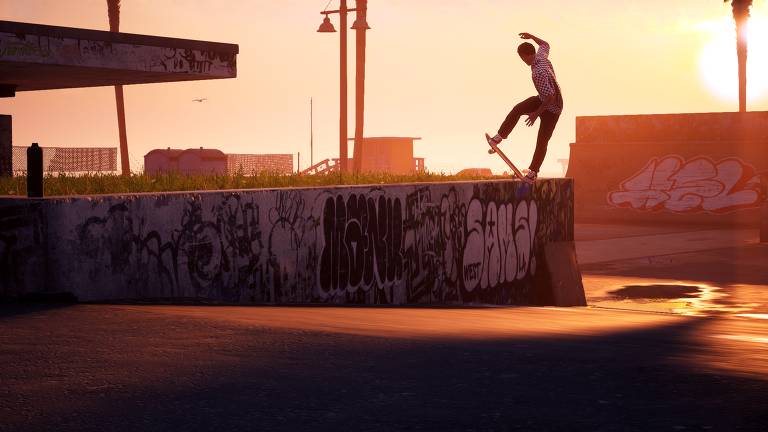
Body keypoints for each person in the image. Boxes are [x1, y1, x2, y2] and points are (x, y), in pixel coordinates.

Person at [487, 32, 563, 183]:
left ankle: (533, 172)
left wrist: (536, 114)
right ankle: (499, 136)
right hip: (543, 99)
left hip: (553, 109)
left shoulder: (538, 72)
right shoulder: (541, 56)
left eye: (522, 58)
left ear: (526, 56)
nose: (522, 61)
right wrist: (531, 36)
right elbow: (545, 44)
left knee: (542, 140)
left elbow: (550, 97)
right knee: (518, 109)